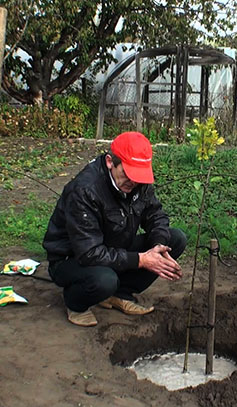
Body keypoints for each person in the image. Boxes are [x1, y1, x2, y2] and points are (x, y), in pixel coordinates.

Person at [43, 131, 186, 326]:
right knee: (104, 280)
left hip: (113, 244)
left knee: (175, 239)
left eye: (139, 176)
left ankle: (118, 294)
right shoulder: (85, 190)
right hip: (72, 258)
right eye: (128, 174)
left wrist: (157, 246)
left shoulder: (138, 183)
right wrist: (141, 260)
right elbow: (89, 253)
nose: (133, 182)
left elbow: (155, 215)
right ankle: (75, 303)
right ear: (110, 162)